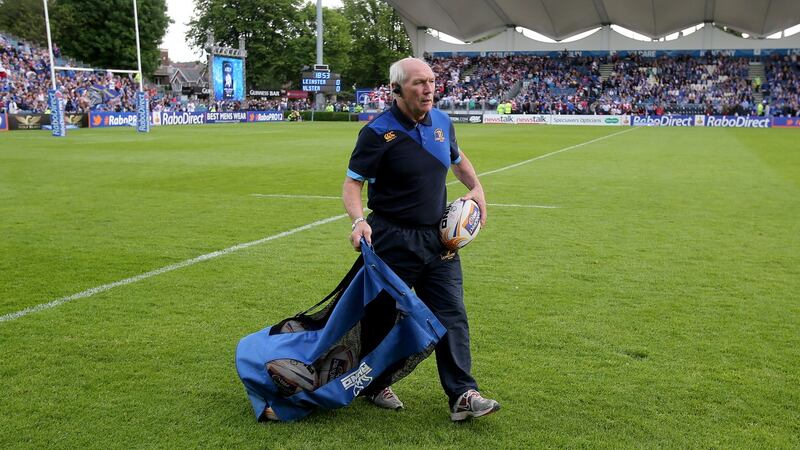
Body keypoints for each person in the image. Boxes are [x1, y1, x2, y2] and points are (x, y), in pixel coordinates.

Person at [342, 57, 500, 422]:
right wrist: (357, 221)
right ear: (397, 89)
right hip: (391, 239)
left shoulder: (443, 122)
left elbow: (457, 159)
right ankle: (374, 382)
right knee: (380, 316)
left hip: (439, 239)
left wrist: (477, 189)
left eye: (431, 81)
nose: (429, 88)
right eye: (419, 83)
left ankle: (463, 394)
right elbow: (353, 182)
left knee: (451, 315)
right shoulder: (377, 133)